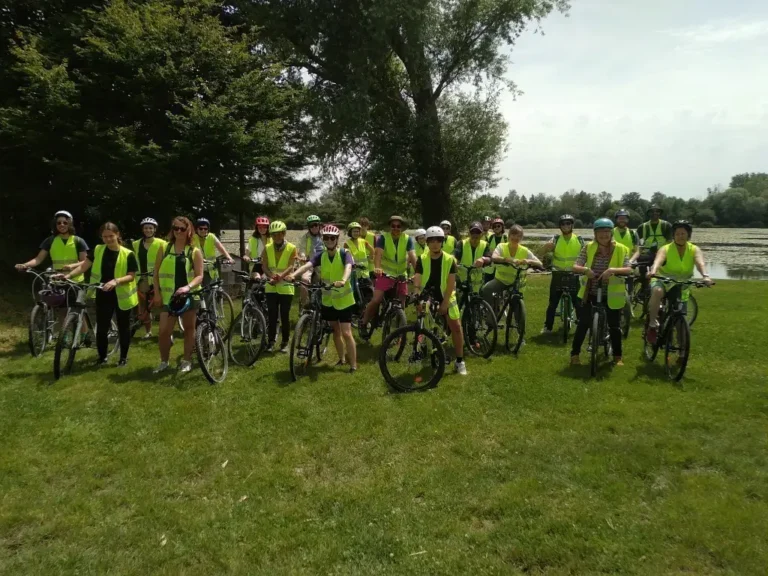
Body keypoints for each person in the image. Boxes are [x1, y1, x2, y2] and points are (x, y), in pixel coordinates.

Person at [58, 222, 138, 367]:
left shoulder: (128, 254)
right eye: (105, 236)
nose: (108, 239)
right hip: (103, 294)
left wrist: (116, 281)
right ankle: (102, 357)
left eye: (111, 236)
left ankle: (123, 358)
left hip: (122, 296)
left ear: (118, 235)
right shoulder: (97, 250)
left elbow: (131, 276)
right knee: (101, 328)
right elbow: (83, 266)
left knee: (123, 328)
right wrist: (68, 275)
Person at [288, 225, 358, 372]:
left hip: (344, 300)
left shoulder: (345, 253)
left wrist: (344, 280)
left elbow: (348, 267)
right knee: (335, 330)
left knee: (346, 333)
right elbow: (307, 265)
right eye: (326, 237)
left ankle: (353, 365)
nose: (329, 240)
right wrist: (293, 275)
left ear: (337, 239)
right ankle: (341, 359)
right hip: (328, 300)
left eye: (332, 238)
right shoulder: (321, 255)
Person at [569, 218, 631, 366]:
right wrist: (585, 270)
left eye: (607, 232)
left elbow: (628, 269)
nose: (604, 235)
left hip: (611, 294)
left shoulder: (621, 249)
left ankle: (617, 356)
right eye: (600, 232)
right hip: (590, 291)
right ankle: (575, 355)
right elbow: (575, 266)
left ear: (611, 233)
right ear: (595, 234)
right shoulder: (588, 247)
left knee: (614, 325)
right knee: (583, 323)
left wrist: (612, 270)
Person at [16, 211, 89, 325]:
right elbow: (38, 259)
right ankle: (64, 337)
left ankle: (84, 335)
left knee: (78, 310)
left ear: (70, 224)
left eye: (65, 222)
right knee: (62, 310)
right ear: (55, 225)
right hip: (58, 280)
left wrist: (72, 266)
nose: (62, 225)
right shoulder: (50, 240)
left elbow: (85, 261)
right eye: (59, 223)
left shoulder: (78, 241)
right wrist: (25, 265)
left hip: (76, 280)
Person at [646, 220, 712, 343]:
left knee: (681, 322)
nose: (680, 236)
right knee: (657, 291)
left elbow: (700, 262)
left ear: (688, 235)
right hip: (663, 279)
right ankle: (652, 324)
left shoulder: (694, 249)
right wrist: (653, 271)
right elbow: (658, 260)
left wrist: (705, 276)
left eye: (683, 233)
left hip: (682, 285)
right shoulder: (665, 248)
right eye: (677, 234)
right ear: (673, 235)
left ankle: (682, 353)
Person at [153, 216, 204, 373]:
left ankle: (187, 360)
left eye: (182, 228)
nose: (179, 231)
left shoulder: (195, 252)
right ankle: (164, 361)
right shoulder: (164, 248)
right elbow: (155, 273)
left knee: (189, 329)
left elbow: (199, 275)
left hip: (188, 296)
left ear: (189, 230)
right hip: (168, 298)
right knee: (163, 332)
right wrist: (157, 293)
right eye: (176, 228)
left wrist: (187, 287)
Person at [413, 226, 467, 375]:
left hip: (446, 295)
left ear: (442, 242)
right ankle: (419, 350)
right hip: (428, 294)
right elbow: (417, 276)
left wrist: (445, 303)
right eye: (431, 240)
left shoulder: (450, 260)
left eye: (438, 240)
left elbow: (451, 283)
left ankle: (460, 361)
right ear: (427, 242)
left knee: (456, 326)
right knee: (421, 321)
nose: (435, 243)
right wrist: (416, 293)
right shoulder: (422, 258)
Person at [360, 215, 417, 338]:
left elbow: (412, 256)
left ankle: (398, 333)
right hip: (385, 273)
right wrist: (377, 267)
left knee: (401, 304)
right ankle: (363, 323)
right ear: (390, 227)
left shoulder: (407, 239)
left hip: (401, 275)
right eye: (393, 226)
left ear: (402, 228)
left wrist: (418, 272)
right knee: (376, 300)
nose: (396, 228)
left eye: (398, 226)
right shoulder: (383, 238)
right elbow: (378, 254)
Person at [539, 214, 584, 334]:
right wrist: (546, 247)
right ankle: (548, 327)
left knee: (577, 302)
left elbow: (586, 254)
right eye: (563, 224)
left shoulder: (579, 239)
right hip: (558, 272)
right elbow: (543, 251)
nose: (566, 226)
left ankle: (582, 326)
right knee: (553, 302)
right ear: (560, 226)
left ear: (572, 225)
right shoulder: (556, 238)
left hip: (574, 273)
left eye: (568, 223)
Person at [481, 224, 541, 309]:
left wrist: (528, 261)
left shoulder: (525, 250)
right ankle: (490, 315)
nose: (516, 238)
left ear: (521, 238)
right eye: (513, 235)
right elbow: (494, 257)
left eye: (519, 236)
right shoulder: (501, 246)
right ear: (509, 236)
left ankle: (518, 320)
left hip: (517, 282)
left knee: (517, 304)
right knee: (486, 289)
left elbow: (540, 263)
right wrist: (508, 260)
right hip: (500, 280)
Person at [262, 220, 297, 352]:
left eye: (279, 234)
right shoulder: (267, 248)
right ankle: (271, 341)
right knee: (271, 314)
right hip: (271, 286)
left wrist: (280, 277)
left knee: (284, 315)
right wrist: (271, 276)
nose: (276, 237)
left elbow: (291, 266)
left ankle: (285, 342)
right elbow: (264, 266)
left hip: (286, 287)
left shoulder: (292, 248)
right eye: (274, 234)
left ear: (284, 233)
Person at [132, 217, 167, 339]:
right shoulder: (136, 244)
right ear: (142, 229)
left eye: (150, 228)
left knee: (161, 304)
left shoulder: (162, 243)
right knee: (144, 306)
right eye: (146, 228)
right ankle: (148, 331)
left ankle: (166, 332)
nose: (148, 230)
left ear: (154, 230)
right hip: (142, 278)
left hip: (157, 278)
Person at [192, 217, 233, 284]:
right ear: (197, 229)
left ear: (208, 229)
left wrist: (229, 257)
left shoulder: (211, 236)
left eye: (205, 229)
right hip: (197, 271)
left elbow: (221, 248)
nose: (203, 230)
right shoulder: (192, 238)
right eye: (200, 228)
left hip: (211, 270)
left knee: (213, 290)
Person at [454, 221, 491, 294]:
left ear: (482, 234)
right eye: (472, 233)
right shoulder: (461, 243)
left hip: (477, 285)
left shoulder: (485, 245)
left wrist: (483, 259)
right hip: (462, 281)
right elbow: (455, 256)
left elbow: (489, 258)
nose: (475, 235)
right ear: (469, 233)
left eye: (477, 233)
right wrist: (454, 262)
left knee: (475, 303)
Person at [345, 221, 374, 310]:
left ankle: (368, 309)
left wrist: (370, 257)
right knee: (355, 293)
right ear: (350, 232)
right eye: (354, 231)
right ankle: (356, 311)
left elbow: (372, 250)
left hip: (365, 272)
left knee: (369, 291)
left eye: (357, 231)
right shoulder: (347, 243)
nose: (356, 233)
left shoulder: (363, 241)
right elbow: (345, 255)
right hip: (354, 273)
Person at [298, 214, 325, 307]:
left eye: (316, 225)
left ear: (319, 225)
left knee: (325, 283)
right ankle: (304, 305)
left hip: (322, 265)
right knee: (304, 280)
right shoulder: (305, 237)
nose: (314, 227)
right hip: (309, 263)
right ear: (308, 227)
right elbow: (301, 249)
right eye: (311, 225)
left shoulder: (324, 236)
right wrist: (303, 256)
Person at [612, 208, 641, 295]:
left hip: (628, 265)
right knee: (613, 291)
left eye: (624, 218)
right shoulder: (611, 232)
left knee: (629, 292)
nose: (622, 220)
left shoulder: (633, 233)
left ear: (627, 219)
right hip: (614, 264)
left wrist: (631, 261)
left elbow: (637, 251)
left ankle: (630, 302)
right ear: (616, 219)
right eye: (620, 218)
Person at [484, 217, 507, 284]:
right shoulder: (491, 237)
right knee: (487, 284)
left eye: (498, 226)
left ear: (502, 227)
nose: (496, 228)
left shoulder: (505, 238)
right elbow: (487, 249)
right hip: (491, 265)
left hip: (502, 264)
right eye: (494, 226)